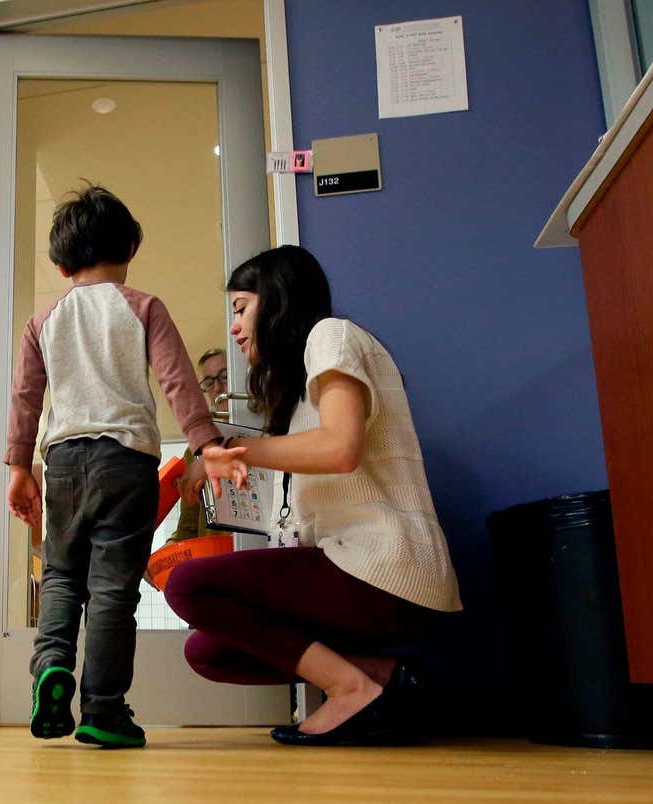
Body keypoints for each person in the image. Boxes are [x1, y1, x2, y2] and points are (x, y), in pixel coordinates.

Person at [166, 245, 461, 746]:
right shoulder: (297, 391)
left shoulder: (331, 335)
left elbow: (341, 448)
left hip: (386, 566)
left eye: (240, 309)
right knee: (208, 652)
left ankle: (349, 689)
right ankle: (384, 677)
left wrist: (237, 447)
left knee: (188, 584)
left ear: (277, 299)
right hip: (350, 569)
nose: (234, 327)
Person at [4, 185, 242, 749]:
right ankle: (103, 710)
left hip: (61, 460)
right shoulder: (142, 306)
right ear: (130, 247)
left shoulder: (45, 320)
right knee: (112, 590)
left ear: (60, 264)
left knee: (61, 573)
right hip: (127, 460)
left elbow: (24, 399)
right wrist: (205, 445)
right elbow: (179, 381)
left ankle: (52, 664)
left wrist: (19, 466)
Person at [162, 348, 231, 545]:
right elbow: (187, 526)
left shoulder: (263, 432)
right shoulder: (195, 450)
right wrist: (168, 550)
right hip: (209, 557)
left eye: (224, 377)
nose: (217, 388)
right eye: (209, 383)